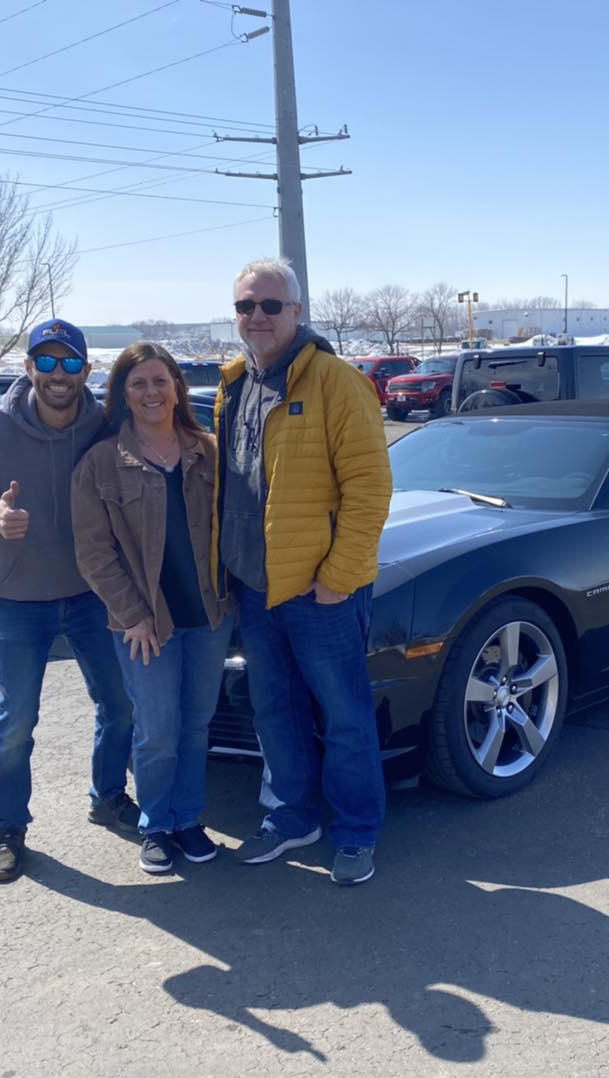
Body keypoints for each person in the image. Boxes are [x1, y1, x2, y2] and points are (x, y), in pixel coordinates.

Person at [0, 319, 137, 884]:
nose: (57, 374)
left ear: (86, 372)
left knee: (120, 705)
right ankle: (9, 827)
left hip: (93, 593)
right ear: (28, 368)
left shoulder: (103, 425)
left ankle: (109, 797)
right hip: (18, 599)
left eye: (69, 363)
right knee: (17, 719)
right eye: (45, 362)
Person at [213, 257, 393, 886]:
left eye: (270, 306)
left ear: (296, 311)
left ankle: (356, 831)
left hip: (320, 591)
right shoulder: (235, 384)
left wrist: (338, 577)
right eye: (245, 306)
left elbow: (370, 487)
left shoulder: (337, 382)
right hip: (254, 587)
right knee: (274, 710)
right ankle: (292, 817)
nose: (256, 317)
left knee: (344, 715)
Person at [72, 343, 234, 876]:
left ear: (177, 389)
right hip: (146, 624)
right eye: (138, 383)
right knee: (157, 729)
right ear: (122, 394)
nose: (151, 392)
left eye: (161, 381)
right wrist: (132, 614)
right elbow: (94, 554)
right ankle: (156, 826)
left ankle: (188, 820)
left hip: (208, 616)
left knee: (196, 725)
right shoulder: (101, 463)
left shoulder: (207, 451)